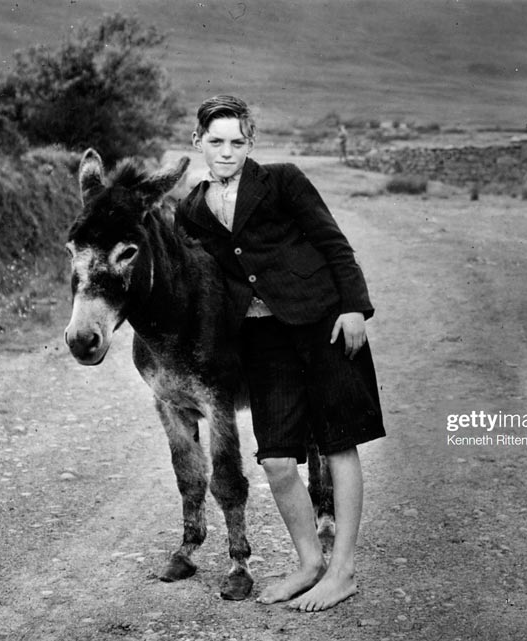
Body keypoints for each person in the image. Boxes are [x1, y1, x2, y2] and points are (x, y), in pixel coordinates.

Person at [174, 95, 385, 612]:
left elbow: (334, 243)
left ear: (251, 143)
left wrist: (355, 308)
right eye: (216, 141)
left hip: (322, 323)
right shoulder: (192, 209)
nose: (227, 152)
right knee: (275, 460)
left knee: (339, 443)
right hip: (261, 341)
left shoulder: (284, 179)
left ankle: (343, 571)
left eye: (237, 142)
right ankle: (310, 563)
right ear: (197, 142)